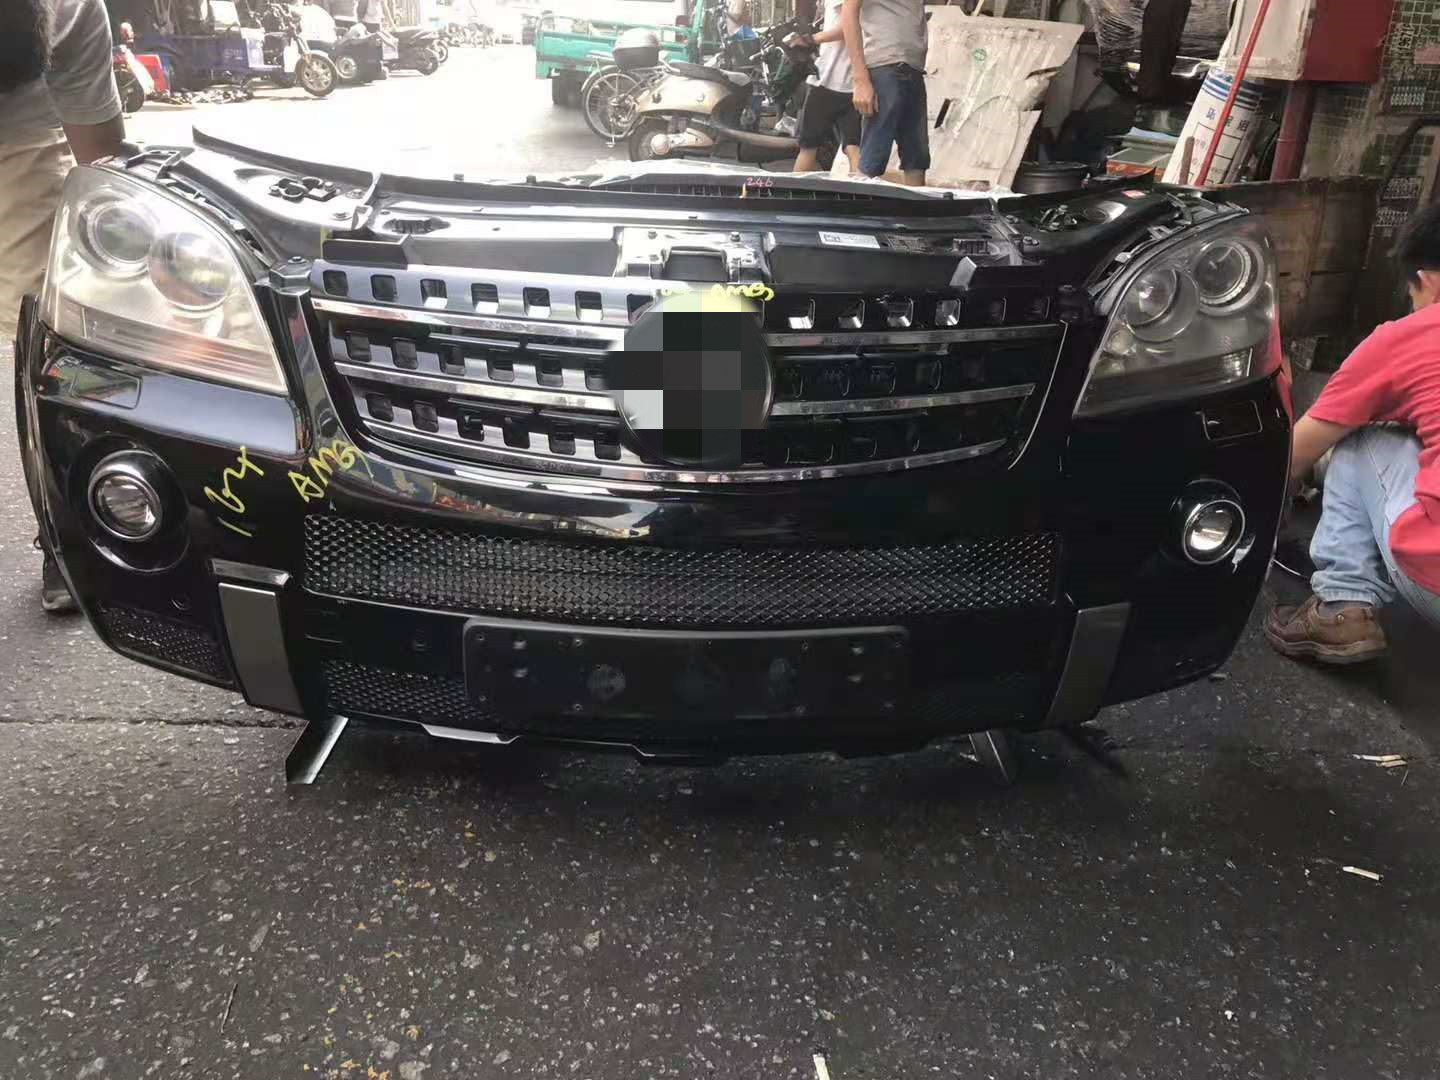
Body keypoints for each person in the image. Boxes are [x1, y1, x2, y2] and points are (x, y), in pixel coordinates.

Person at [1266, 203, 1440, 663]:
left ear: (1427, 280)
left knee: (1360, 436)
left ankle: (1341, 605)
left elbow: (1293, 457)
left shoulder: (1408, 336)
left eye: (1412, 296)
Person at [1, 0, 125, 613]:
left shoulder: (68, 8)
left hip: (20, 134)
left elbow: (100, 165)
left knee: (52, 332)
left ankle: (64, 530)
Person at [840, 0, 929, 186]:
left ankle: (916, 205)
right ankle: (860, 203)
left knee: (916, 159)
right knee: (873, 159)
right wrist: (860, 79)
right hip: (885, 67)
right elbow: (848, 11)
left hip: (913, 68)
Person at [790, 0, 862, 175]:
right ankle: (859, 190)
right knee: (853, 146)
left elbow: (848, 24)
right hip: (852, 83)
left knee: (808, 147)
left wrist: (811, 39)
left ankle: (792, 189)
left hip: (827, 79)